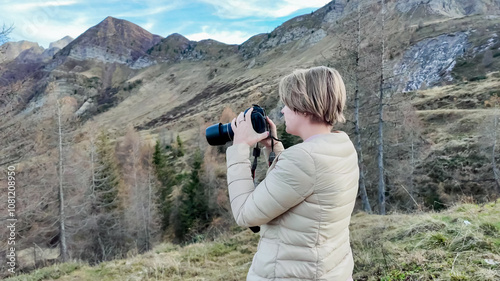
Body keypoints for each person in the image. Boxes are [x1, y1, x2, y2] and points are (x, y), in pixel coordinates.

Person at [226, 66, 359, 281]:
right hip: (328, 270)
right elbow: (303, 187)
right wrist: (274, 147)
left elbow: (245, 214)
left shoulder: (304, 159)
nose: (282, 111)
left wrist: (239, 147)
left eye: (287, 104)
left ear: (305, 108)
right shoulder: (340, 146)